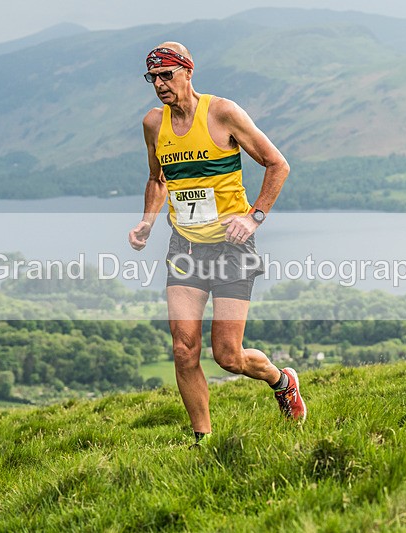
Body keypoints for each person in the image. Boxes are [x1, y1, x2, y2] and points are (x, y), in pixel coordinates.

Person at [128, 42, 306, 447]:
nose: (159, 84)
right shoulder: (153, 124)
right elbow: (158, 180)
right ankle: (202, 439)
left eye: (166, 75)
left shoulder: (222, 113)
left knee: (228, 355)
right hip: (185, 248)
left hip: (231, 250)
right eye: (152, 78)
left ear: (188, 72)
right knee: (183, 348)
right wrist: (146, 221)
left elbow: (278, 164)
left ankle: (282, 381)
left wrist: (254, 215)